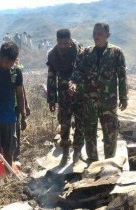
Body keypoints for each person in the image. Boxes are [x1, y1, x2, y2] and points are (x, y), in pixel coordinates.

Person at [69, 23, 128, 162]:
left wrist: (124, 97)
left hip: (109, 102)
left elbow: (122, 76)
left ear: (108, 35)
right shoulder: (86, 53)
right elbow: (77, 72)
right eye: (95, 33)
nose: (96, 36)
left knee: (110, 133)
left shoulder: (116, 53)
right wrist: (73, 84)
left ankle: (109, 162)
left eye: (100, 33)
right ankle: (93, 161)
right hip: (89, 101)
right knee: (89, 133)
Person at [47, 29, 84, 166]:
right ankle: (65, 152)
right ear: (57, 42)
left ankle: (77, 152)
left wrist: (76, 85)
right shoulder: (53, 55)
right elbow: (51, 78)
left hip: (79, 93)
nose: (63, 46)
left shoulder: (79, 51)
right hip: (63, 96)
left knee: (80, 123)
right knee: (64, 124)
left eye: (66, 43)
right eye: (60, 43)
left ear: (70, 40)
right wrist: (51, 99)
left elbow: (84, 71)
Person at [13, 58, 30, 164]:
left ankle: (16, 155)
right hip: (6, 107)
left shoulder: (17, 71)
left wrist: (26, 105)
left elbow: (21, 91)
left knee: (17, 130)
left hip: (16, 106)